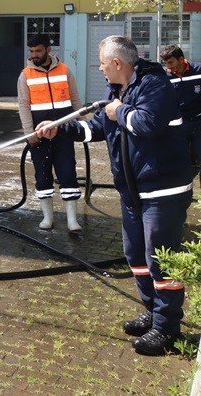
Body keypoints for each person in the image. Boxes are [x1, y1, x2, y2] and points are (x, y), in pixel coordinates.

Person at [37, 35, 192, 356]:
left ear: (118, 63)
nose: (101, 69)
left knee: (162, 260)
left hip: (163, 189)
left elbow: (147, 123)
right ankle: (152, 311)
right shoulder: (118, 90)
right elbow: (96, 128)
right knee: (136, 255)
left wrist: (119, 111)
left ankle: (167, 328)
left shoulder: (155, 86)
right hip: (133, 191)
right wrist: (62, 129)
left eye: (103, 63)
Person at [18, 33, 82, 231]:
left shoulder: (64, 71)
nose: (34, 55)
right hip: (40, 136)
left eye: (38, 50)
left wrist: (83, 126)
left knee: (67, 173)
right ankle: (48, 219)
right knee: (42, 175)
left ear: (48, 49)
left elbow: (75, 100)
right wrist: (30, 134)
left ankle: (72, 220)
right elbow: (23, 105)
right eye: (31, 51)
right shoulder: (26, 75)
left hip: (64, 134)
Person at [159, 44, 201, 175]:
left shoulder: (199, 70)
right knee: (181, 162)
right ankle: (185, 193)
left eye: (170, 62)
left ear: (181, 59)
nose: (168, 67)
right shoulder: (165, 77)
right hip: (178, 125)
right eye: (165, 63)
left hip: (198, 123)